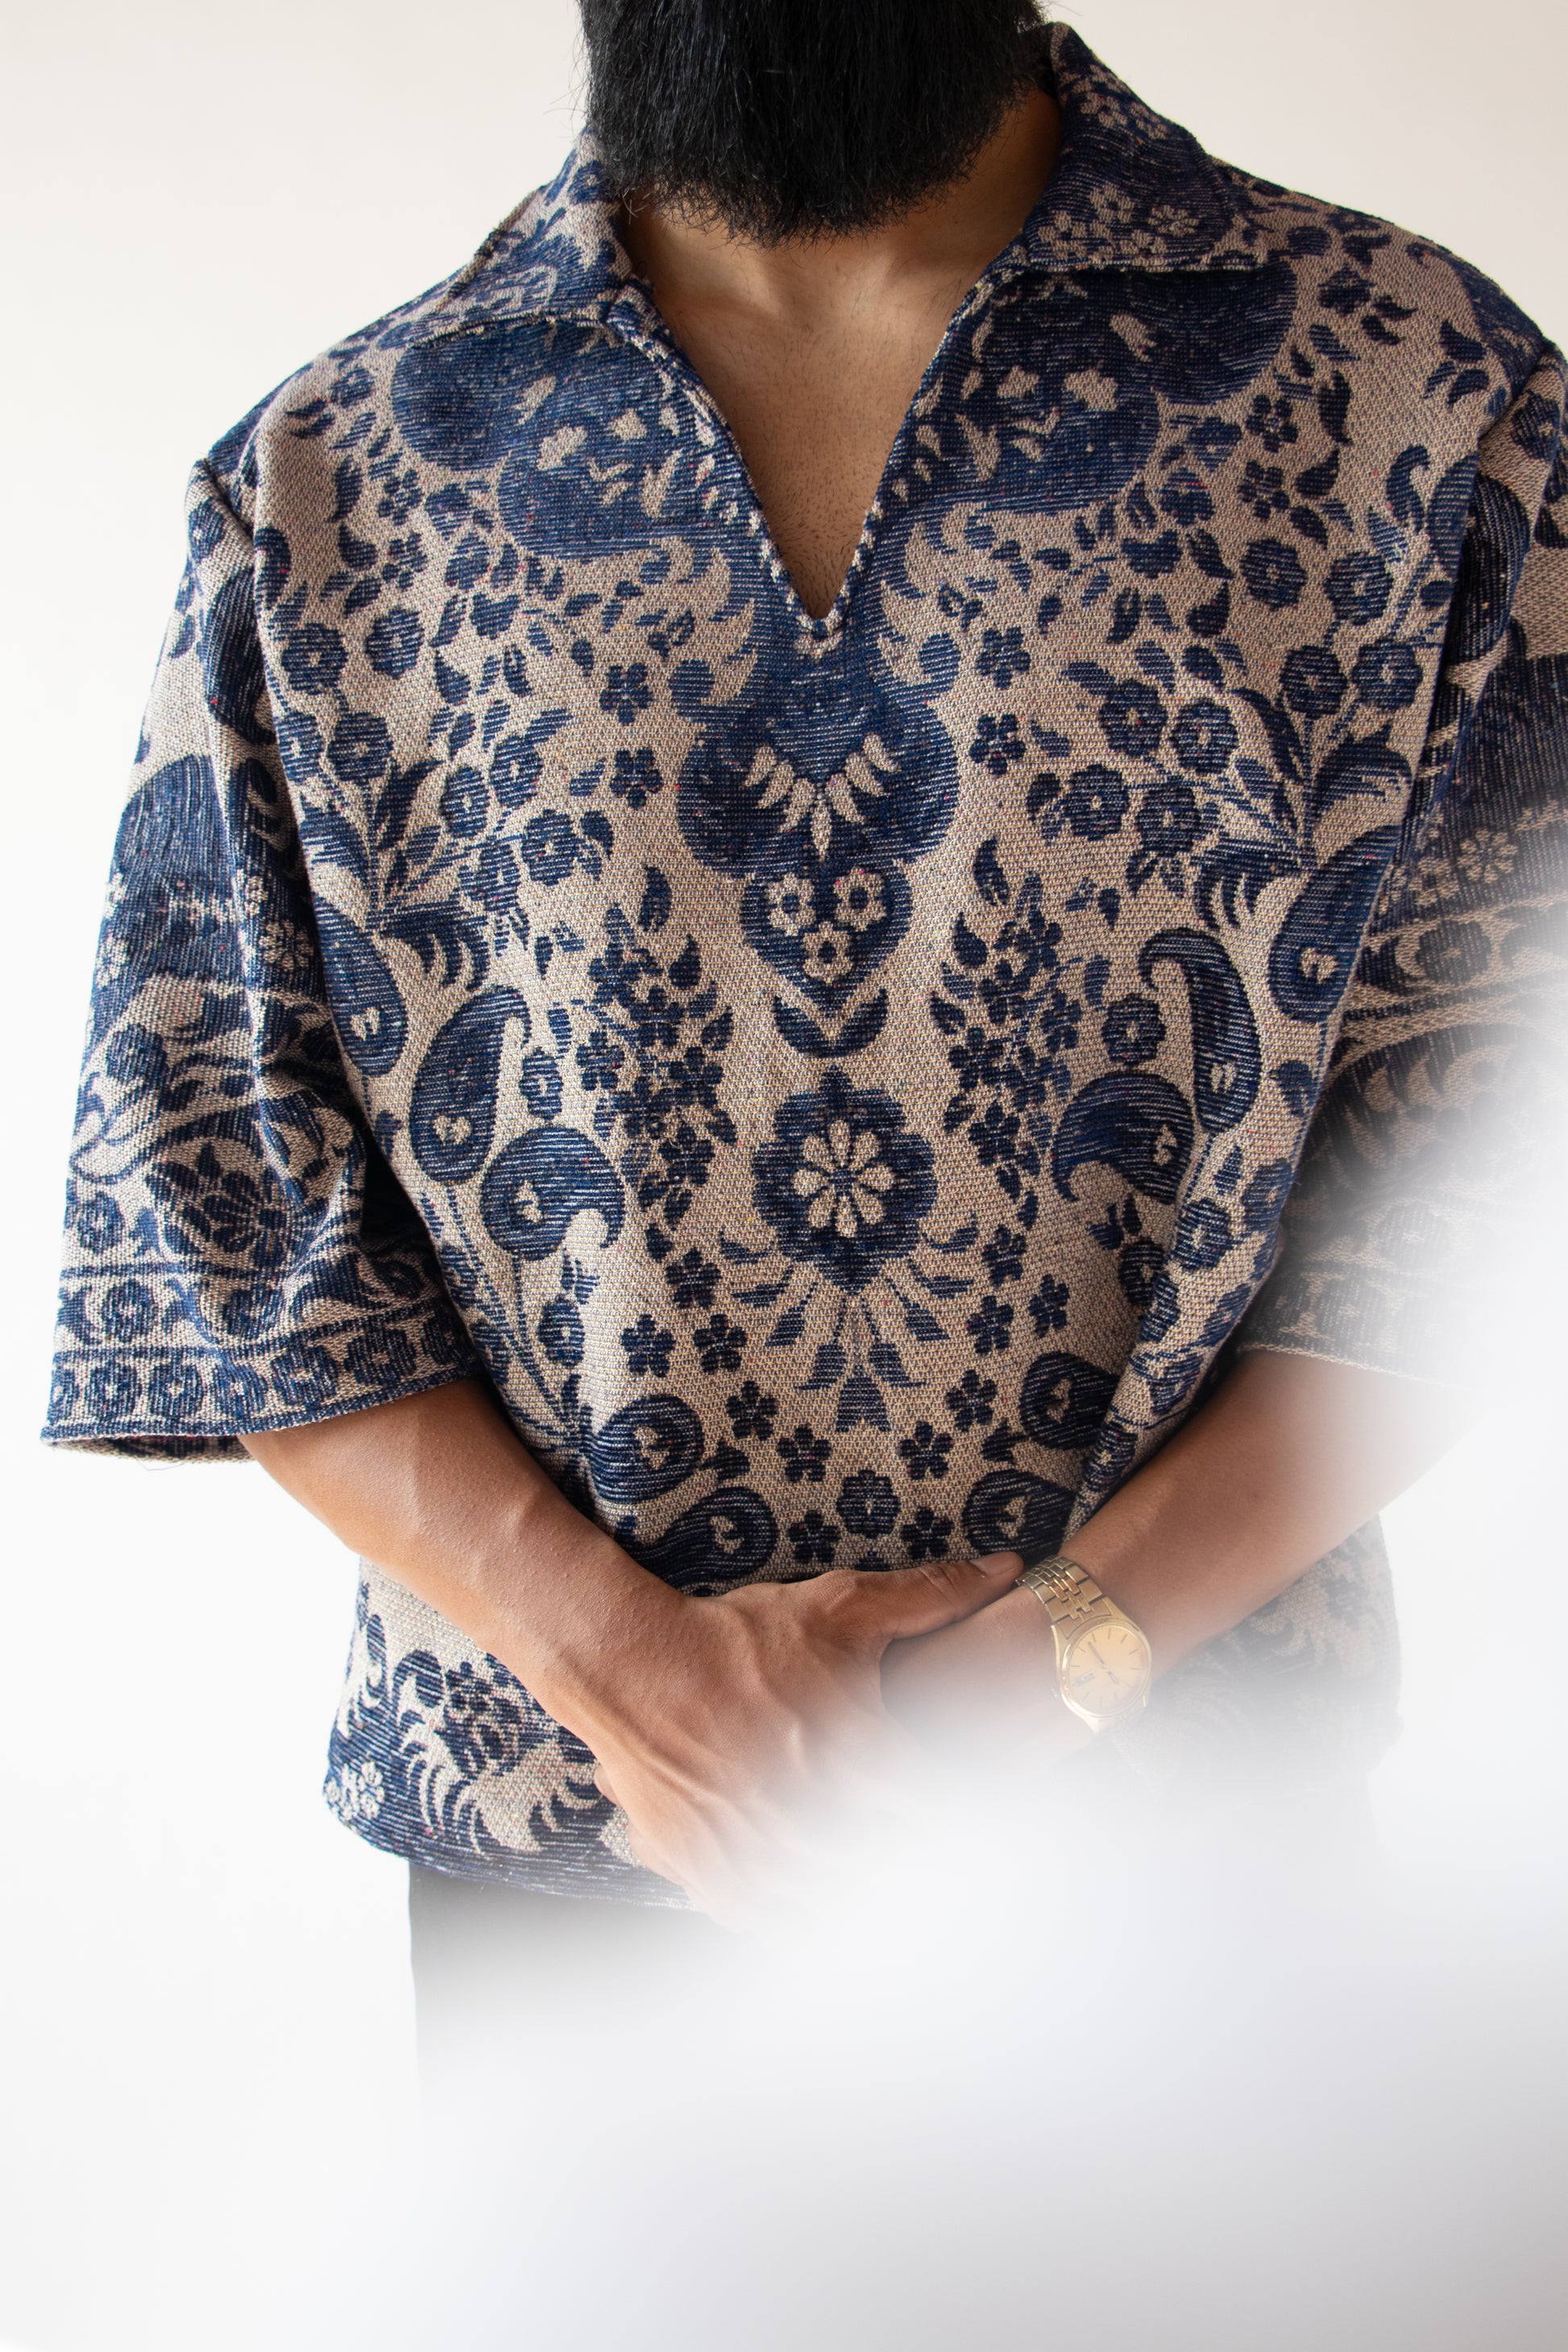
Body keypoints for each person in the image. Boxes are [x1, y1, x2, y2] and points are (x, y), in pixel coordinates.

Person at [44, 0, 1566, 2000]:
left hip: (1193, 1844)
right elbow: (214, 1183)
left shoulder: (1409, 389)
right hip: (573, 1845)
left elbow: (1502, 1142)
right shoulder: (338, 469)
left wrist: (1048, 1671)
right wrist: (638, 1673)